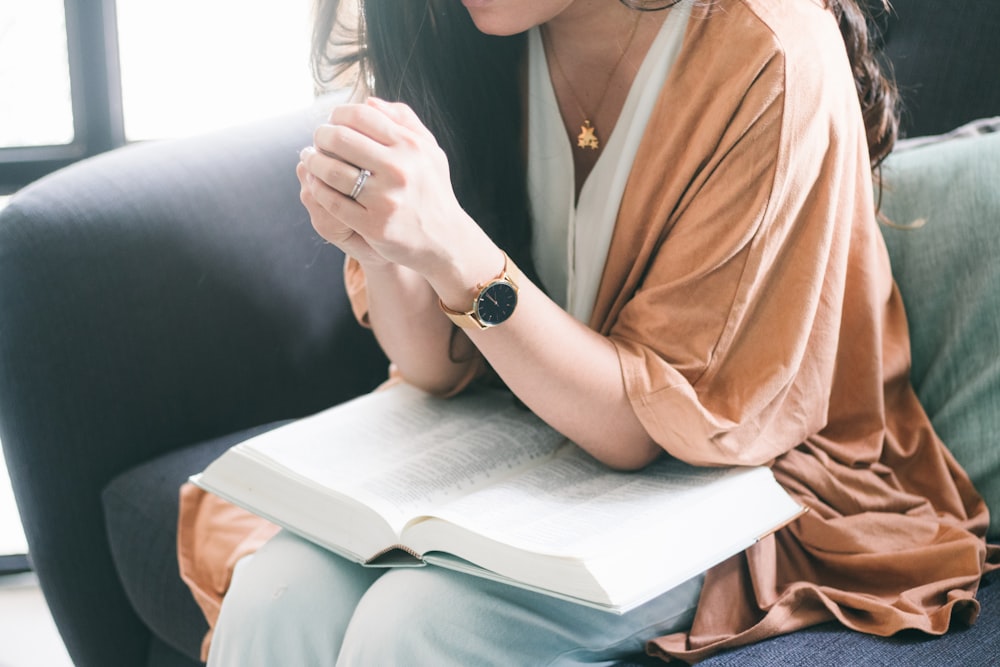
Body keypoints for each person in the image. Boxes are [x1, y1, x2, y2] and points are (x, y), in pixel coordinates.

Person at [177, 0, 999, 664]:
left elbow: (647, 426)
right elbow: (429, 365)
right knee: (275, 591)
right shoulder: (462, 30)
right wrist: (389, 245)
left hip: (744, 480)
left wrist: (455, 250)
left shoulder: (771, 55)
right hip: (525, 438)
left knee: (420, 626)